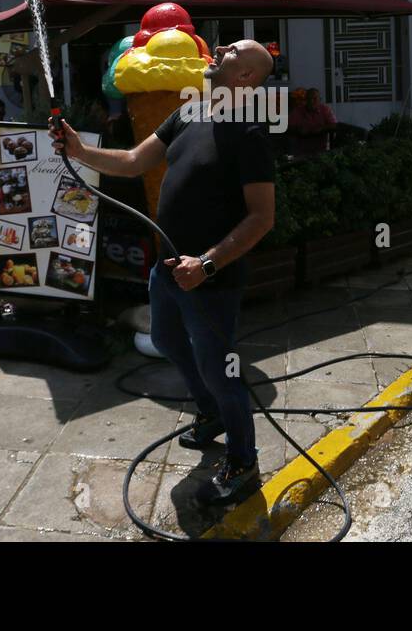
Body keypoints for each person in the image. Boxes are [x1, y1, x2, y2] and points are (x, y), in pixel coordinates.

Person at [51, 39, 276, 506]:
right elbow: (134, 161)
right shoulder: (189, 114)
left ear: (246, 78)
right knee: (171, 343)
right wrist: (78, 150)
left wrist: (208, 263)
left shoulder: (249, 133)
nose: (219, 47)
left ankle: (243, 460)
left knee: (220, 367)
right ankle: (211, 414)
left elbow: (262, 217)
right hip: (168, 269)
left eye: (232, 49)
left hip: (209, 279)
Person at [287, 87, 337, 157]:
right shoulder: (297, 111)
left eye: (315, 98)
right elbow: (289, 128)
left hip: (321, 150)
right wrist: (298, 130)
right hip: (301, 151)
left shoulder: (325, 109)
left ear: (320, 100)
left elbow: (334, 125)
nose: (312, 101)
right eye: (309, 99)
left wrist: (321, 128)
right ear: (305, 100)